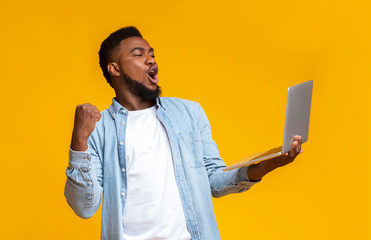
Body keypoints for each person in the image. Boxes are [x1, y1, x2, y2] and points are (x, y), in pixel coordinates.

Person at [64, 26, 302, 240]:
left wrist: (271, 163)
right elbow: (84, 207)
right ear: (114, 68)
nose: (150, 60)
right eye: (138, 54)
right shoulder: (99, 128)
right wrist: (79, 142)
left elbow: (214, 181)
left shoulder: (189, 113)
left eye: (152, 54)